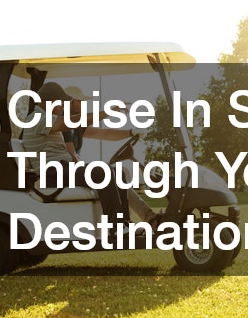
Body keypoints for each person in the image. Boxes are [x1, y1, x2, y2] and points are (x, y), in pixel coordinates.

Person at [22, 82, 138, 227]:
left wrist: (131, 132)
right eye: (61, 103)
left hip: (62, 170)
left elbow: (101, 132)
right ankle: (116, 226)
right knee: (103, 171)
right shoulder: (37, 118)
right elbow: (74, 121)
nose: (63, 107)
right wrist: (109, 111)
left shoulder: (46, 118)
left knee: (118, 173)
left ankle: (125, 223)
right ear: (50, 101)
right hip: (53, 173)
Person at [61, 85, 163, 227]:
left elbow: (104, 133)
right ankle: (143, 220)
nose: (84, 104)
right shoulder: (63, 124)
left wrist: (131, 132)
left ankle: (131, 221)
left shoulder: (77, 125)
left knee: (120, 174)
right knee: (111, 174)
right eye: (80, 101)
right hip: (67, 172)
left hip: (75, 171)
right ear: (69, 102)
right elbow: (71, 157)